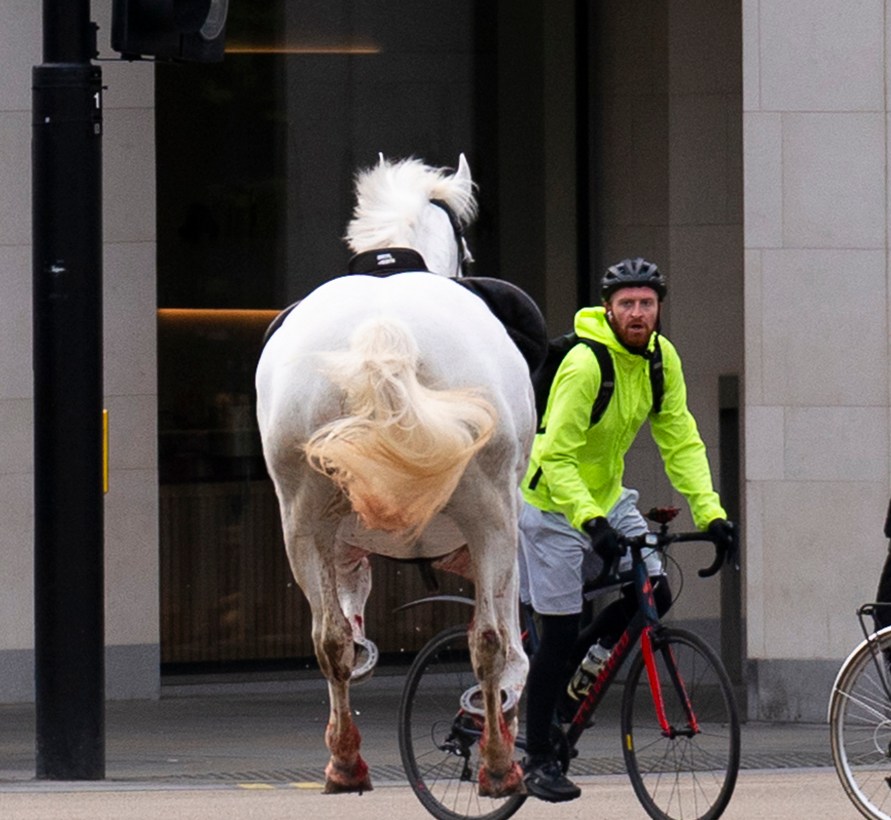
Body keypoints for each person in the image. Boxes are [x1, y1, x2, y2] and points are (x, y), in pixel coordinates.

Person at [518, 257, 736, 803]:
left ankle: (570, 684)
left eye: (647, 303)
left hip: (608, 497)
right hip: (552, 503)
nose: (637, 314)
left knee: (653, 590)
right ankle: (536, 753)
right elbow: (553, 453)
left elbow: (681, 440)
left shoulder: (661, 359)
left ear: (659, 307)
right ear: (609, 308)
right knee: (561, 627)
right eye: (627, 304)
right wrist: (589, 522)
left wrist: (712, 514)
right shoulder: (587, 364)